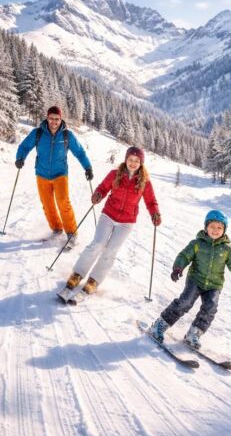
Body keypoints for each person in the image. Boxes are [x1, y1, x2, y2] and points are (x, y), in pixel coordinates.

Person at [148, 210, 231, 349]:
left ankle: (194, 334)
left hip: (214, 285)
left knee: (210, 308)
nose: (215, 230)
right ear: (206, 227)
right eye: (212, 227)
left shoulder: (227, 249)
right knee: (185, 302)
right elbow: (184, 256)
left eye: (219, 228)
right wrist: (178, 268)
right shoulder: (197, 243)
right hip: (195, 279)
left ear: (224, 230)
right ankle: (159, 325)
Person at [65, 147, 160, 295]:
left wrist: (155, 213)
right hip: (108, 215)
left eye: (137, 161)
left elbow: (151, 201)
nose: (133, 163)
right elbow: (103, 188)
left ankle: (94, 280)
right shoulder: (115, 174)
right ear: (126, 159)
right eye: (130, 160)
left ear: (141, 163)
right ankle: (77, 273)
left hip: (126, 222)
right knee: (97, 244)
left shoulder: (145, 182)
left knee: (110, 250)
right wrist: (97, 195)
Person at [14, 106, 93, 243]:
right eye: (51, 118)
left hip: (60, 174)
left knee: (63, 201)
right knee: (47, 203)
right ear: (47, 118)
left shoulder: (67, 135)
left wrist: (88, 167)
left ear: (61, 119)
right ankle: (57, 228)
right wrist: (20, 158)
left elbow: (79, 152)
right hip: (41, 174)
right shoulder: (38, 133)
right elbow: (24, 146)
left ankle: (71, 232)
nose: (54, 122)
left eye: (57, 119)